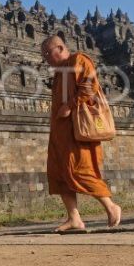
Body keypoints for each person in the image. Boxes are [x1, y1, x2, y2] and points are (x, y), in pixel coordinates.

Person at [41, 36, 121, 232]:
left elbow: (89, 86)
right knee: (58, 173)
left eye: (47, 53)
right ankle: (74, 218)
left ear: (60, 48)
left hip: (77, 130)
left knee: (81, 169)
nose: (45, 59)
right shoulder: (60, 72)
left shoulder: (79, 60)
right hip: (60, 131)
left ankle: (111, 206)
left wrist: (69, 105)